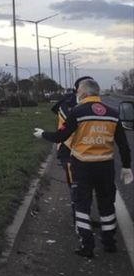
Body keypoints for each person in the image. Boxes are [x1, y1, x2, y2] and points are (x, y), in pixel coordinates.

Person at [33, 78, 133, 258]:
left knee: (82, 205)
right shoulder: (112, 113)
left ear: (85, 93)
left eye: (78, 91)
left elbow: (61, 136)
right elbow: (123, 145)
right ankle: (109, 243)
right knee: (106, 205)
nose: (77, 94)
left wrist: (43, 134)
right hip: (105, 167)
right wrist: (126, 166)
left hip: (82, 166)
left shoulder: (77, 112)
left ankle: (87, 246)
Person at [51, 76, 93, 223]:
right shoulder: (67, 105)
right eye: (85, 87)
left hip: (85, 151)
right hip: (68, 150)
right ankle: (79, 222)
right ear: (77, 90)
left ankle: (84, 217)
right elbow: (69, 127)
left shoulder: (90, 104)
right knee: (77, 187)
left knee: (86, 187)